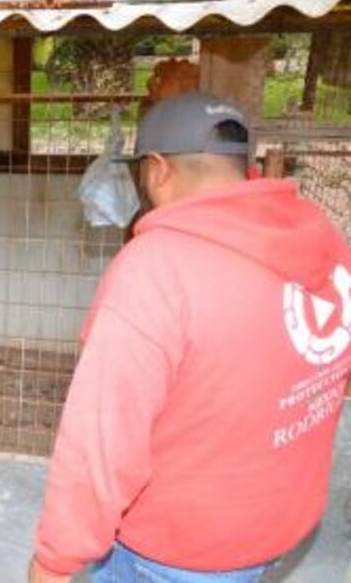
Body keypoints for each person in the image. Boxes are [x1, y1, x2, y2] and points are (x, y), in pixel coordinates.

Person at [29, 92, 351, 582]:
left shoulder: (157, 269)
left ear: (156, 169)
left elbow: (101, 440)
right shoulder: (323, 243)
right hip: (274, 532)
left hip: (176, 553)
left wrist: (55, 560)